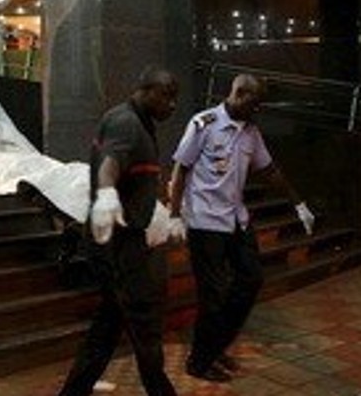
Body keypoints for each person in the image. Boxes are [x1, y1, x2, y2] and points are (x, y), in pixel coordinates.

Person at [167, 74, 315, 382]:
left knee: (251, 279)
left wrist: (298, 203)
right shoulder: (203, 124)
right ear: (240, 94)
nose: (258, 110)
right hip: (205, 222)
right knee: (213, 295)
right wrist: (174, 215)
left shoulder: (251, 132)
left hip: (236, 220)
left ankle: (213, 347)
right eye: (256, 103)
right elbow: (181, 168)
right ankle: (199, 362)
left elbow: (270, 171)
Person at [58, 68, 180, 396]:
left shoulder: (133, 120)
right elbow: (111, 162)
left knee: (107, 328)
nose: (173, 105)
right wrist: (107, 193)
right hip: (119, 247)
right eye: (168, 95)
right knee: (145, 324)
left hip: (119, 242)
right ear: (148, 90)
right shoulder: (127, 124)